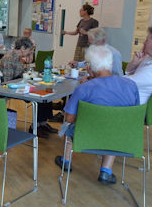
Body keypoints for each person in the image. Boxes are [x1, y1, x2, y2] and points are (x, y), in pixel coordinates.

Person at [55, 45, 140, 184]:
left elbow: (69, 118)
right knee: (114, 124)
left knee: (68, 127)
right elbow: (135, 115)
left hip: (88, 136)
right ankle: (106, 171)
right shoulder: (131, 85)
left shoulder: (84, 88)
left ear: (89, 66)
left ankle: (66, 161)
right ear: (111, 64)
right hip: (121, 137)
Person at [0, 37, 57, 138]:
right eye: (28, 50)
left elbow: (20, 74)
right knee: (40, 96)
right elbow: (7, 82)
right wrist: (24, 84)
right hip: (11, 89)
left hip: (19, 86)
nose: (29, 52)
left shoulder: (17, 57)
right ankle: (35, 127)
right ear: (22, 48)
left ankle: (42, 123)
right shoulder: (9, 59)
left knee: (45, 93)